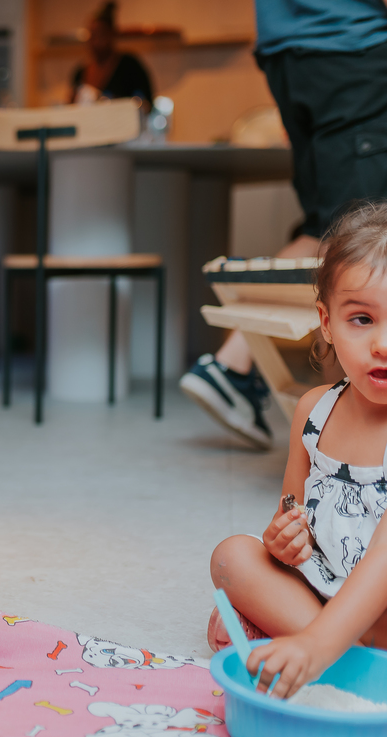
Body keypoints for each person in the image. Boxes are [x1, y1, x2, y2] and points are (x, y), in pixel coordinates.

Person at [180, 0, 387, 449]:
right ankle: (346, 434)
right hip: (350, 42)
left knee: (325, 228)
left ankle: (231, 365)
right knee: (360, 234)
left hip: (286, 50)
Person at [208, 202, 387, 696]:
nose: (383, 344)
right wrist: (285, 541)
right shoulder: (314, 412)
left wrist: (310, 642)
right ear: (327, 323)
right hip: (327, 591)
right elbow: (292, 512)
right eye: (362, 319)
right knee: (232, 556)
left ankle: (315, 648)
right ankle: (348, 658)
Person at [69, 2, 153, 109]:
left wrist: (113, 103)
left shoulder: (130, 67)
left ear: (112, 34)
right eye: (92, 35)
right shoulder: (80, 73)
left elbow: (146, 104)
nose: (96, 42)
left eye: (101, 35)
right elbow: (71, 107)